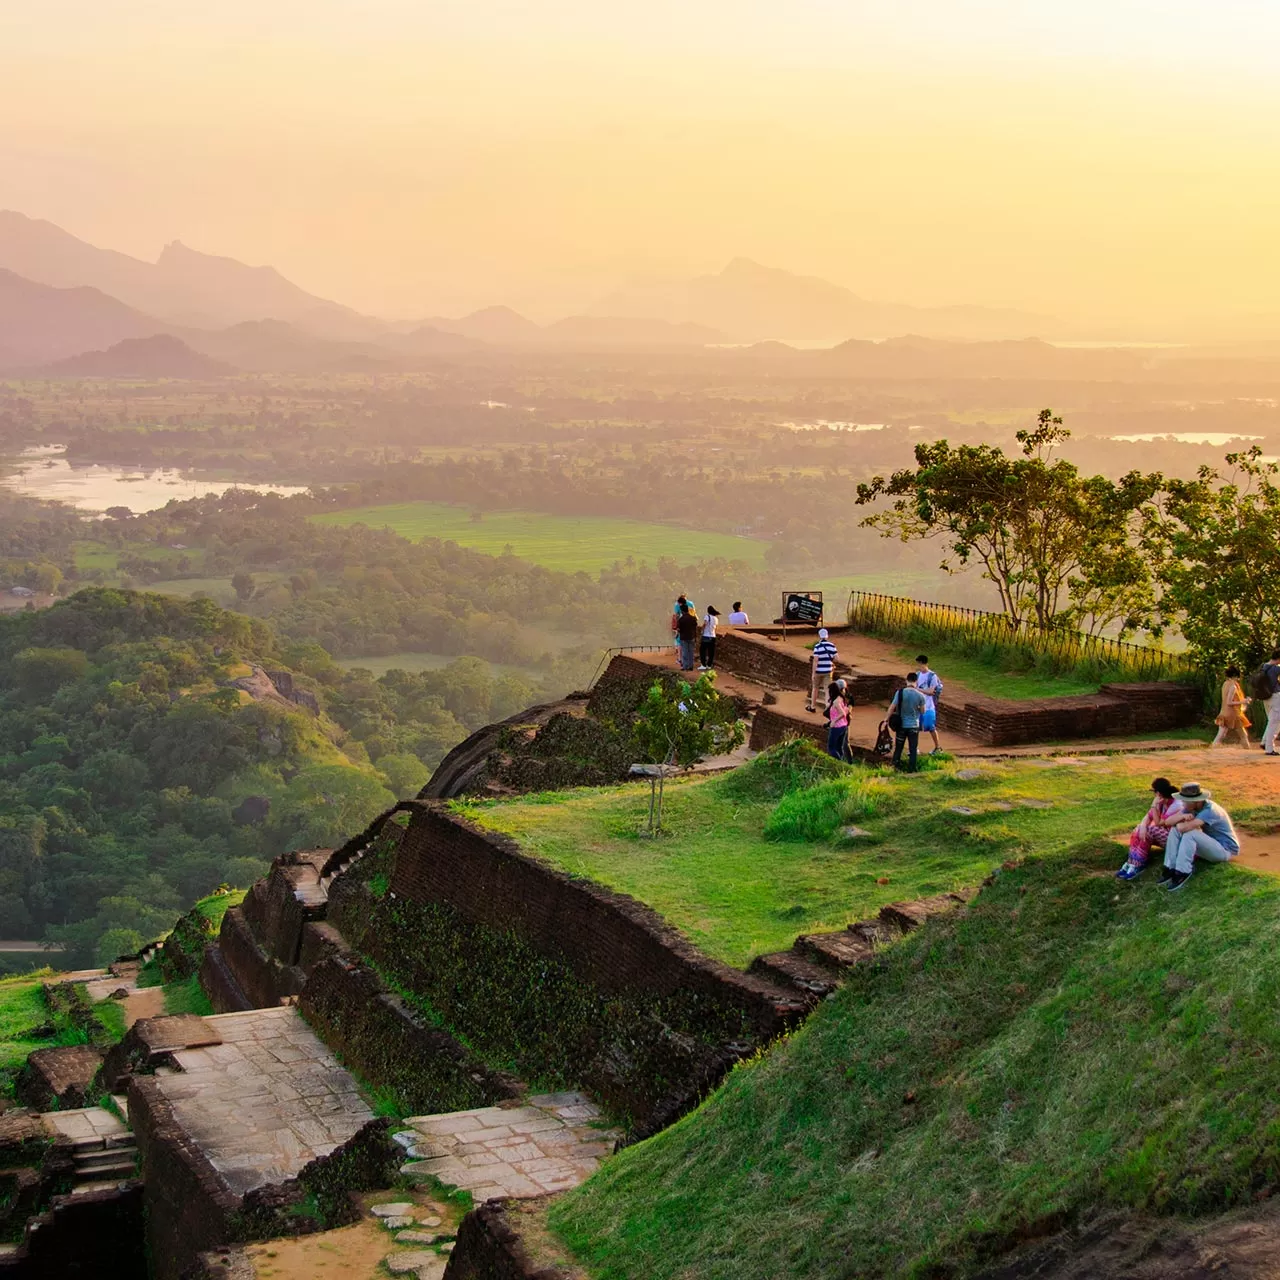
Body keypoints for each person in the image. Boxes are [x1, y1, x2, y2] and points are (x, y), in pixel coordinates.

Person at [1158, 782, 1239, 891]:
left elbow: (1184, 828)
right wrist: (1182, 816)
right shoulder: (1191, 807)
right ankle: (1170, 867)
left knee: (1190, 833)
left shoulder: (1210, 810)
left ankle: (1183, 871)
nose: (1182, 802)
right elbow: (1167, 822)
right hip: (1212, 846)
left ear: (1195, 801)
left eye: (1184, 800)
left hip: (1225, 851)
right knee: (1174, 829)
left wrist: (1179, 823)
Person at [1116, 777, 1184, 880]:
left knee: (1150, 830)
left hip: (1175, 840)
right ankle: (1131, 862)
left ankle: (1139, 864)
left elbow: (1158, 823)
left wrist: (1153, 805)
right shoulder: (1162, 802)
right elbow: (1148, 817)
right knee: (1138, 829)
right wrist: (1143, 826)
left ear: (1158, 793)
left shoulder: (1176, 805)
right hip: (1166, 835)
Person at [888, 673, 927, 772]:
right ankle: (912, 769)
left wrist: (886, 719)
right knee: (913, 749)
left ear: (907, 681)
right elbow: (923, 711)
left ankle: (895, 767)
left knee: (898, 748)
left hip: (901, 725)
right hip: (914, 725)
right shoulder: (920, 696)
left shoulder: (900, 693)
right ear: (916, 681)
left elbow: (892, 707)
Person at [1212, 665, 1251, 748]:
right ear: (1234, 676)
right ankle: (1248, 751)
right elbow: (1229, 702)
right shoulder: (1233, 686)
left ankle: (1212, 749)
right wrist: (1243, 701)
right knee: (1243, 735)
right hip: (1233, 714)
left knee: (1220, 735)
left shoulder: (1225, 683)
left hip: (1224, 712)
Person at [915, 655, 944, 755]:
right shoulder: (917, 675)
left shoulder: (932, 676)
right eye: (919, 664)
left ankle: (937, 747)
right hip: (918, 706)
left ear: (925, 664)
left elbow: (931, 691)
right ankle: (915, 748)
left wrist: (918, 690)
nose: (920, 666)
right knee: (916, 728)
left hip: (929, 706)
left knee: (930, 727)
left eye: (921, 664)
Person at [808, 628, 838, 713]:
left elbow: (815, 660)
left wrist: (813, 673)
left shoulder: (817, 646)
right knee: (827, 690)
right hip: (828, 670)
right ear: (827, 636)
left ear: (820, 636)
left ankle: (813, 706)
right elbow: (837, 658)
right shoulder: (832, 646)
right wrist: (831, 662)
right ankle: (827, 707)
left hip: (818, 671)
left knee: (815, 688)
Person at [1260, 650, 1280, 755]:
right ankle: (1269, 748)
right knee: (1274, 722)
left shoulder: (1263, 666)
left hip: (1265, 697)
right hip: (1275, 696)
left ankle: (1264, 742)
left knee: (1272, 721)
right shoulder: (1275, 669)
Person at [827, 683, 851, 760]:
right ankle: (841, 760)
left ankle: (838, 760)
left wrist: (834, 721)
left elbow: (842, 713)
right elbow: (846, 710)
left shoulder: (836, 702)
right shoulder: (841, 698)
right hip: (844, 726)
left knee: (831, 747)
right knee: (839, 746)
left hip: (837, 727)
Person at [675, 603, 699, 671]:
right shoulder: (693, 618)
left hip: (684, 637)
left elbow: (679, 629)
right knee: (691, 652)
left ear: (682, 611)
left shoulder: (681, 620)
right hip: (691, 636)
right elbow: (695, 627)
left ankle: (685, 666)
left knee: (685, 652)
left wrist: (677, 635)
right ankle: (691, 666)